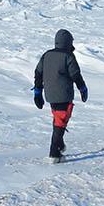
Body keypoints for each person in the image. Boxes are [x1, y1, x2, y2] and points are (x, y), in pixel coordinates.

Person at [33, 29, 89, 163]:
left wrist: (37, 91)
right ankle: (54, 154)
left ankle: (60, 145)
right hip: (64, 94)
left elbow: (38, 73)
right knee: (61, 121)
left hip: (50, 95)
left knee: (58, 119)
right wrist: (82, 88)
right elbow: (75, 74)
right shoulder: (68, 56)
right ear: (68, 42)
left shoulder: (46, 55)